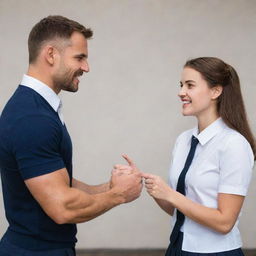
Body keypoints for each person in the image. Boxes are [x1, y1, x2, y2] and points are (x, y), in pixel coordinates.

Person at [0, 15, 142, 256]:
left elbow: (59, 182)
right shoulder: (33, 118)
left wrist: (109, 186)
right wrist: (119, 194)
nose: (86, 67)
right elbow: (62, 207)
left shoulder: (37, 108)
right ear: (51, 54)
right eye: (79, 57)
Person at [117, 57, 255, 255]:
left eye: (190, 85)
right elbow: (179, 210)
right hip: (177, 247)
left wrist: (170, 194)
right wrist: (150, 184)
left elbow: (225, 222)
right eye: (181, 85)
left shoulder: (234, 145)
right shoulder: (183, 140)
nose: (181, 92)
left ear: (216, 91)